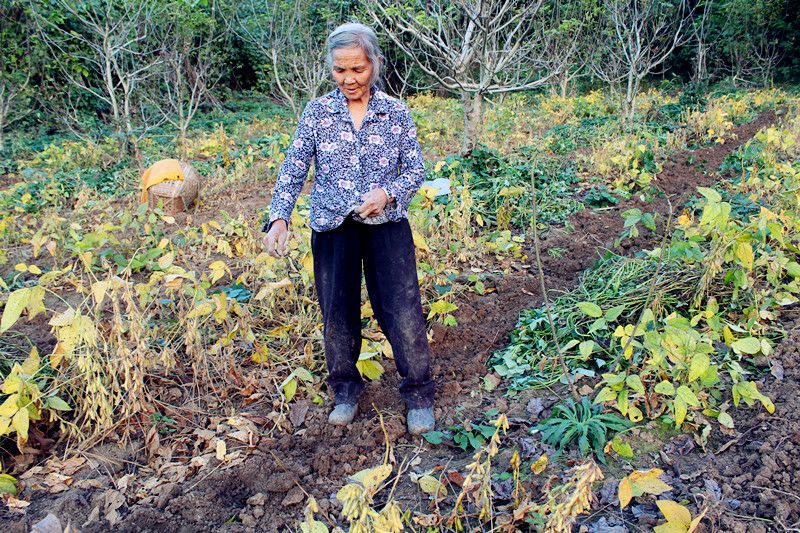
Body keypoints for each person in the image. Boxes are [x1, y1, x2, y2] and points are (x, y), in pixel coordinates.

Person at [262, 22, 435, 435]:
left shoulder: (395, 112)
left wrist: (388, 193)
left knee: (402, 309)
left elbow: (415, 169)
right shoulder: (317, 112)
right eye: (340, 70)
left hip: (385, 225)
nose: (349, 79)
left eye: (357, 69)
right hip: (332, 225)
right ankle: (345, 391)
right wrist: (279, 217)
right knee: (337, 311)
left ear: (374, 63)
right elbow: (293, 167)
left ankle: (418, 393)